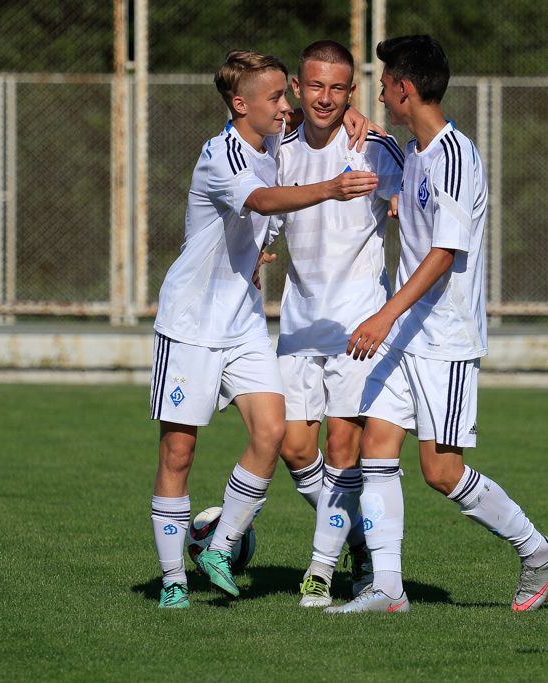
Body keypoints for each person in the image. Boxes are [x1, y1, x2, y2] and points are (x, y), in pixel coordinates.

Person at [150, 49, 380, 608]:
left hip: (246, 323)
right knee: (178, 455)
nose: (287, 107)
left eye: (285, 94)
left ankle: (220, 545)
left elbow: (313, 119)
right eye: (276, 98)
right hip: (191, 325)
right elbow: (262, 200)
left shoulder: (273, 138)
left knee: (273, 434)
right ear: (239, 104)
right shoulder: (221, 155)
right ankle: (174, 581)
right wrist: (330, 187)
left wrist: (357, 116)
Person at [326, 34, 548, 614]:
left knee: (441, 471)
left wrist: (383, 314)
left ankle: (538, 552)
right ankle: (388, 589)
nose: (378, 91)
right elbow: (386, 160)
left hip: (445, 338)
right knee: (377, 446)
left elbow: (444, 253)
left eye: (383, 82)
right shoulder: (418, 152)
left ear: (404, 87)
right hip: (408, 334)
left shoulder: (452, 157)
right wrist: (352, 117)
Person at [274, 40, 404, 608]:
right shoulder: (275, 145)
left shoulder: (375, 147)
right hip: (298, 320)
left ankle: (320, 573)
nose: (325, 98)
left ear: (352, 93)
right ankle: (355, 535)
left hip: (358, 323)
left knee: (343, 445)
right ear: (297, 90)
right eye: (315, 86)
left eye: (338, 88)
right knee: (294, 447)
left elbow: (415, 205)